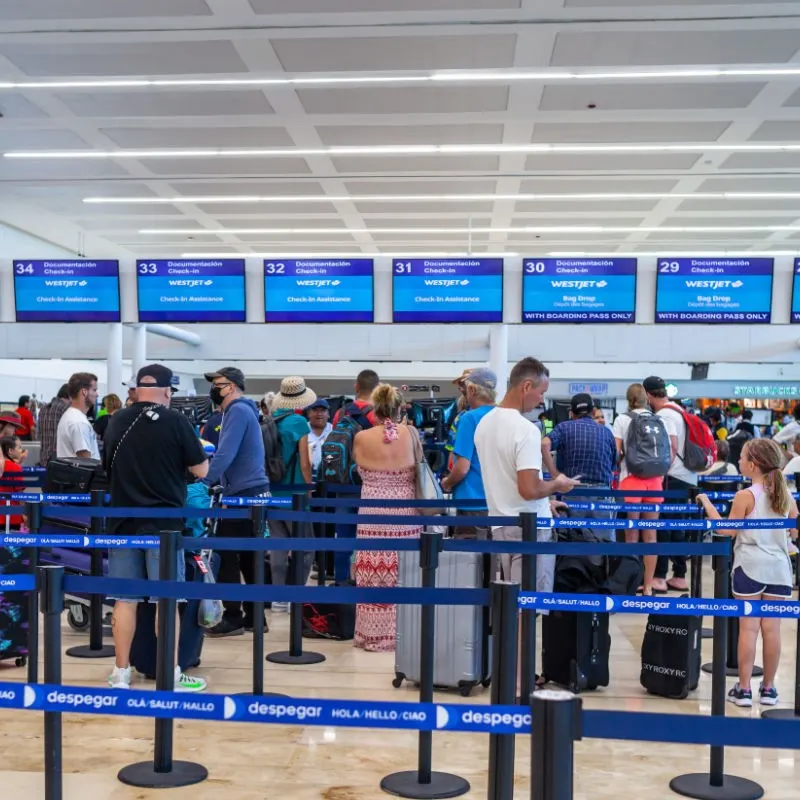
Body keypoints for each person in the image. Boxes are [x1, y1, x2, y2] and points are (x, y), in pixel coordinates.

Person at [103, 364, 209, 692]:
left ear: (137, 389)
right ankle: (169, 674)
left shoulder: (115, 420)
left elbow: (107, 465)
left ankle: (121, 673)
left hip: (121, 522)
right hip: (163, 526)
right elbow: (201, 469)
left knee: (124, 599)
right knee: (166, 599)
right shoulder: (176, 421)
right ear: (166, 391)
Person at [698, 439, 798, 707]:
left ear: (752, 465)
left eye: (742, 457)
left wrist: (707, 503)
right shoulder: (784, 494)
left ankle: (743, 689)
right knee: (772, 630)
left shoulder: (745, 496)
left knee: (749, 629)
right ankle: (769, 688)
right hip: (779, 569)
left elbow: (726, 531)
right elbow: (795, 531)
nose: (739, 461)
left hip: (750, 566)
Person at [474, 357, 578, 594]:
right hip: (530, 528)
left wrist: (546, 500)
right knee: (529, 607)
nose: (542, 400)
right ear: (526, 386)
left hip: (500, 524)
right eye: (542, 392)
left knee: (509, 604)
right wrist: (557, 484)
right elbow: (529, 490)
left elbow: (508, 479)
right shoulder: (526, 430)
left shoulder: (484, 425)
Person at [352, 384, 422, 651]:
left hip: (371, 513)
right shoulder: (411, 433)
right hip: (405, 513)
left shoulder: (361, 437)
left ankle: (370, 635)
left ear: (374, 409)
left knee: (372, 571)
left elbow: (358, 467)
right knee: (404, 571)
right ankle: (403, 633)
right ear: (398, 407)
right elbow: (420, 467)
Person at [202, 367, 270, 637]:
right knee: (249, 557)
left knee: (227, 554)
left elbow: (225, 452)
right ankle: (256, 617)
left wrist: (204, 481)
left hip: (243, 494)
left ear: (230, 386)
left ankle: (232, 616)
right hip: (252, 491)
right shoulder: (245, 410)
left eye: (217, 383)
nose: (214, 388)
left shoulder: (237, 411)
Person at [643, 376, 698, 593]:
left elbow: (671, 447)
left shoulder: (664, 415)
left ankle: (659, 576)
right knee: (677, 525)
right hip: (687, 476)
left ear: (648, 395)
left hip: (672, 476)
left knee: (664, 525)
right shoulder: (679, 410)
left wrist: (659, 471)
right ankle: (679, 575)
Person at [613, 383, 667, 596]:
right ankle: (648, 586)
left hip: (631, 480)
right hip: (654, 481)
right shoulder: (658, 419)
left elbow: (616, 454)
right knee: (651, 536)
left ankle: (630, 585)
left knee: (631, 536)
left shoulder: (622, 419)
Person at [542, 392, 618, 542]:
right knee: (604, 545)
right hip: (601, 493)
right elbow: (613, 463)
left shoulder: (563, 428)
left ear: (571, 412)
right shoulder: (606, 432)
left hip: (572, 491)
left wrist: (555, 474)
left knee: (573, 543)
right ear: (593, 411)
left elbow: (544, 444)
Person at [269, 376, 315, 612]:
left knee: (277, 546)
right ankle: (296, 593)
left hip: (272, 492)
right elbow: (305, 463)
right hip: (295, 493)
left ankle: (278, 597)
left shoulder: (270, 421)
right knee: (306, 547)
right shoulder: (298, 422)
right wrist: (309, 488)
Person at [440, 368, 497, 539]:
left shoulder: (468, 418)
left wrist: (447, 483)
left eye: (464, 387)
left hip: (471, 503)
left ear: (472, 390)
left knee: (470, 562)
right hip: (499, 504)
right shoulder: (505, 416)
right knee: (496, 561)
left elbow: (462, 467)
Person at [56, 372, 100, 459]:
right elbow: (86, 462)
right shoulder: (79, 422)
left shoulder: (71, 415)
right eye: (94, 390)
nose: (97, 394)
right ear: (84, 392)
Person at [37, 385, 70, 467]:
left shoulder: (43, 408)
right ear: (70, 396)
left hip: (44, 458)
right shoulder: (66, 408)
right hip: (60, 461)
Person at [0, 436, 27, 529]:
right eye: (19, 447)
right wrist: (25, 513)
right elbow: (20, 495)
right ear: (10, 451)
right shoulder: (16, 469)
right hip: (11, 517)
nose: (21, 450)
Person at [306, 398, 333, 479]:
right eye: (315, 410)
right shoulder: (302, 430)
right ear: (308, 414)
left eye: (323, 410)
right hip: (307, 477)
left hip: (329, 477)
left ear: (328, 415)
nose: (319, 414)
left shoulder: (334, 430)